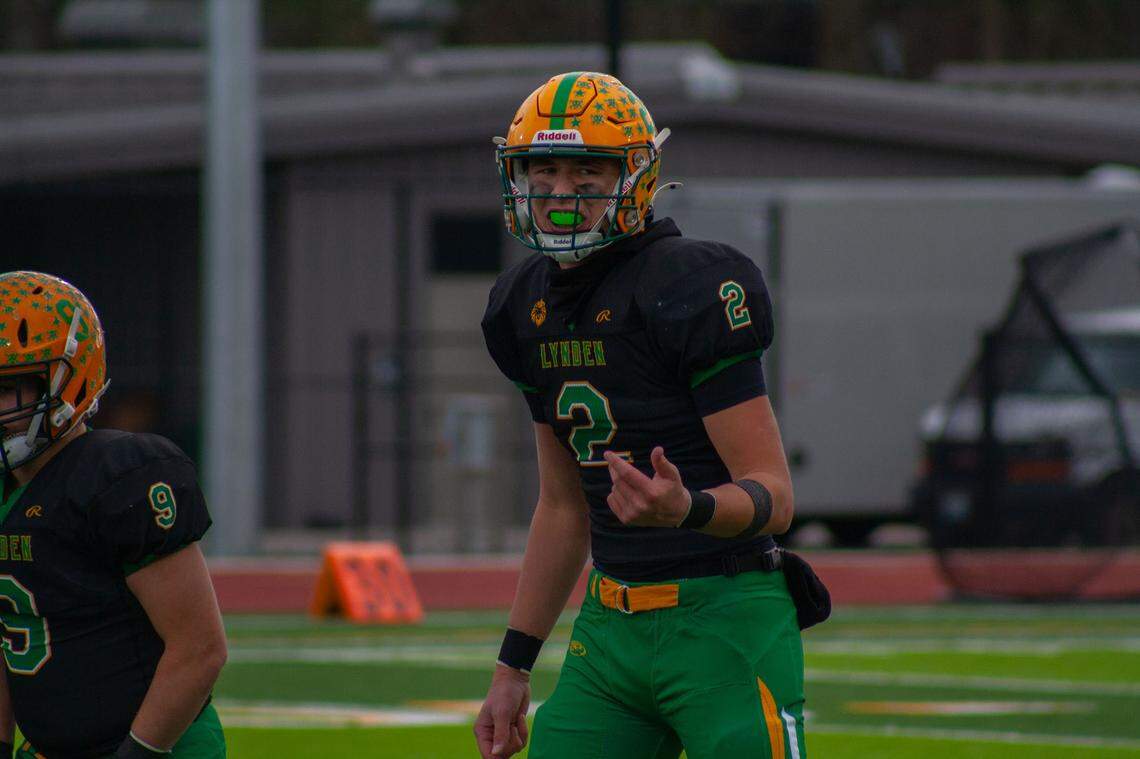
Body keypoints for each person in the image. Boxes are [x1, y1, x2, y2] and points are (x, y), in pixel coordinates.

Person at [475, 72, 808, 759]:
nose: (562, 192)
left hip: (725, 616)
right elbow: (564, 507)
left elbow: (773, 494)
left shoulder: (691, 283)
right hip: (611, 627)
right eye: (545, 168)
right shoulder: (523, 304)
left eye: (588, 171)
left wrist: (688, 507)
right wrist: (512, 668)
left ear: (636, 175)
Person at [0, 272, 227, 758]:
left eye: (9, 388)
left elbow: (199, 648)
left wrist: (136, 753)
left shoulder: (118, 476)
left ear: (69, 379)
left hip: (157, 748)